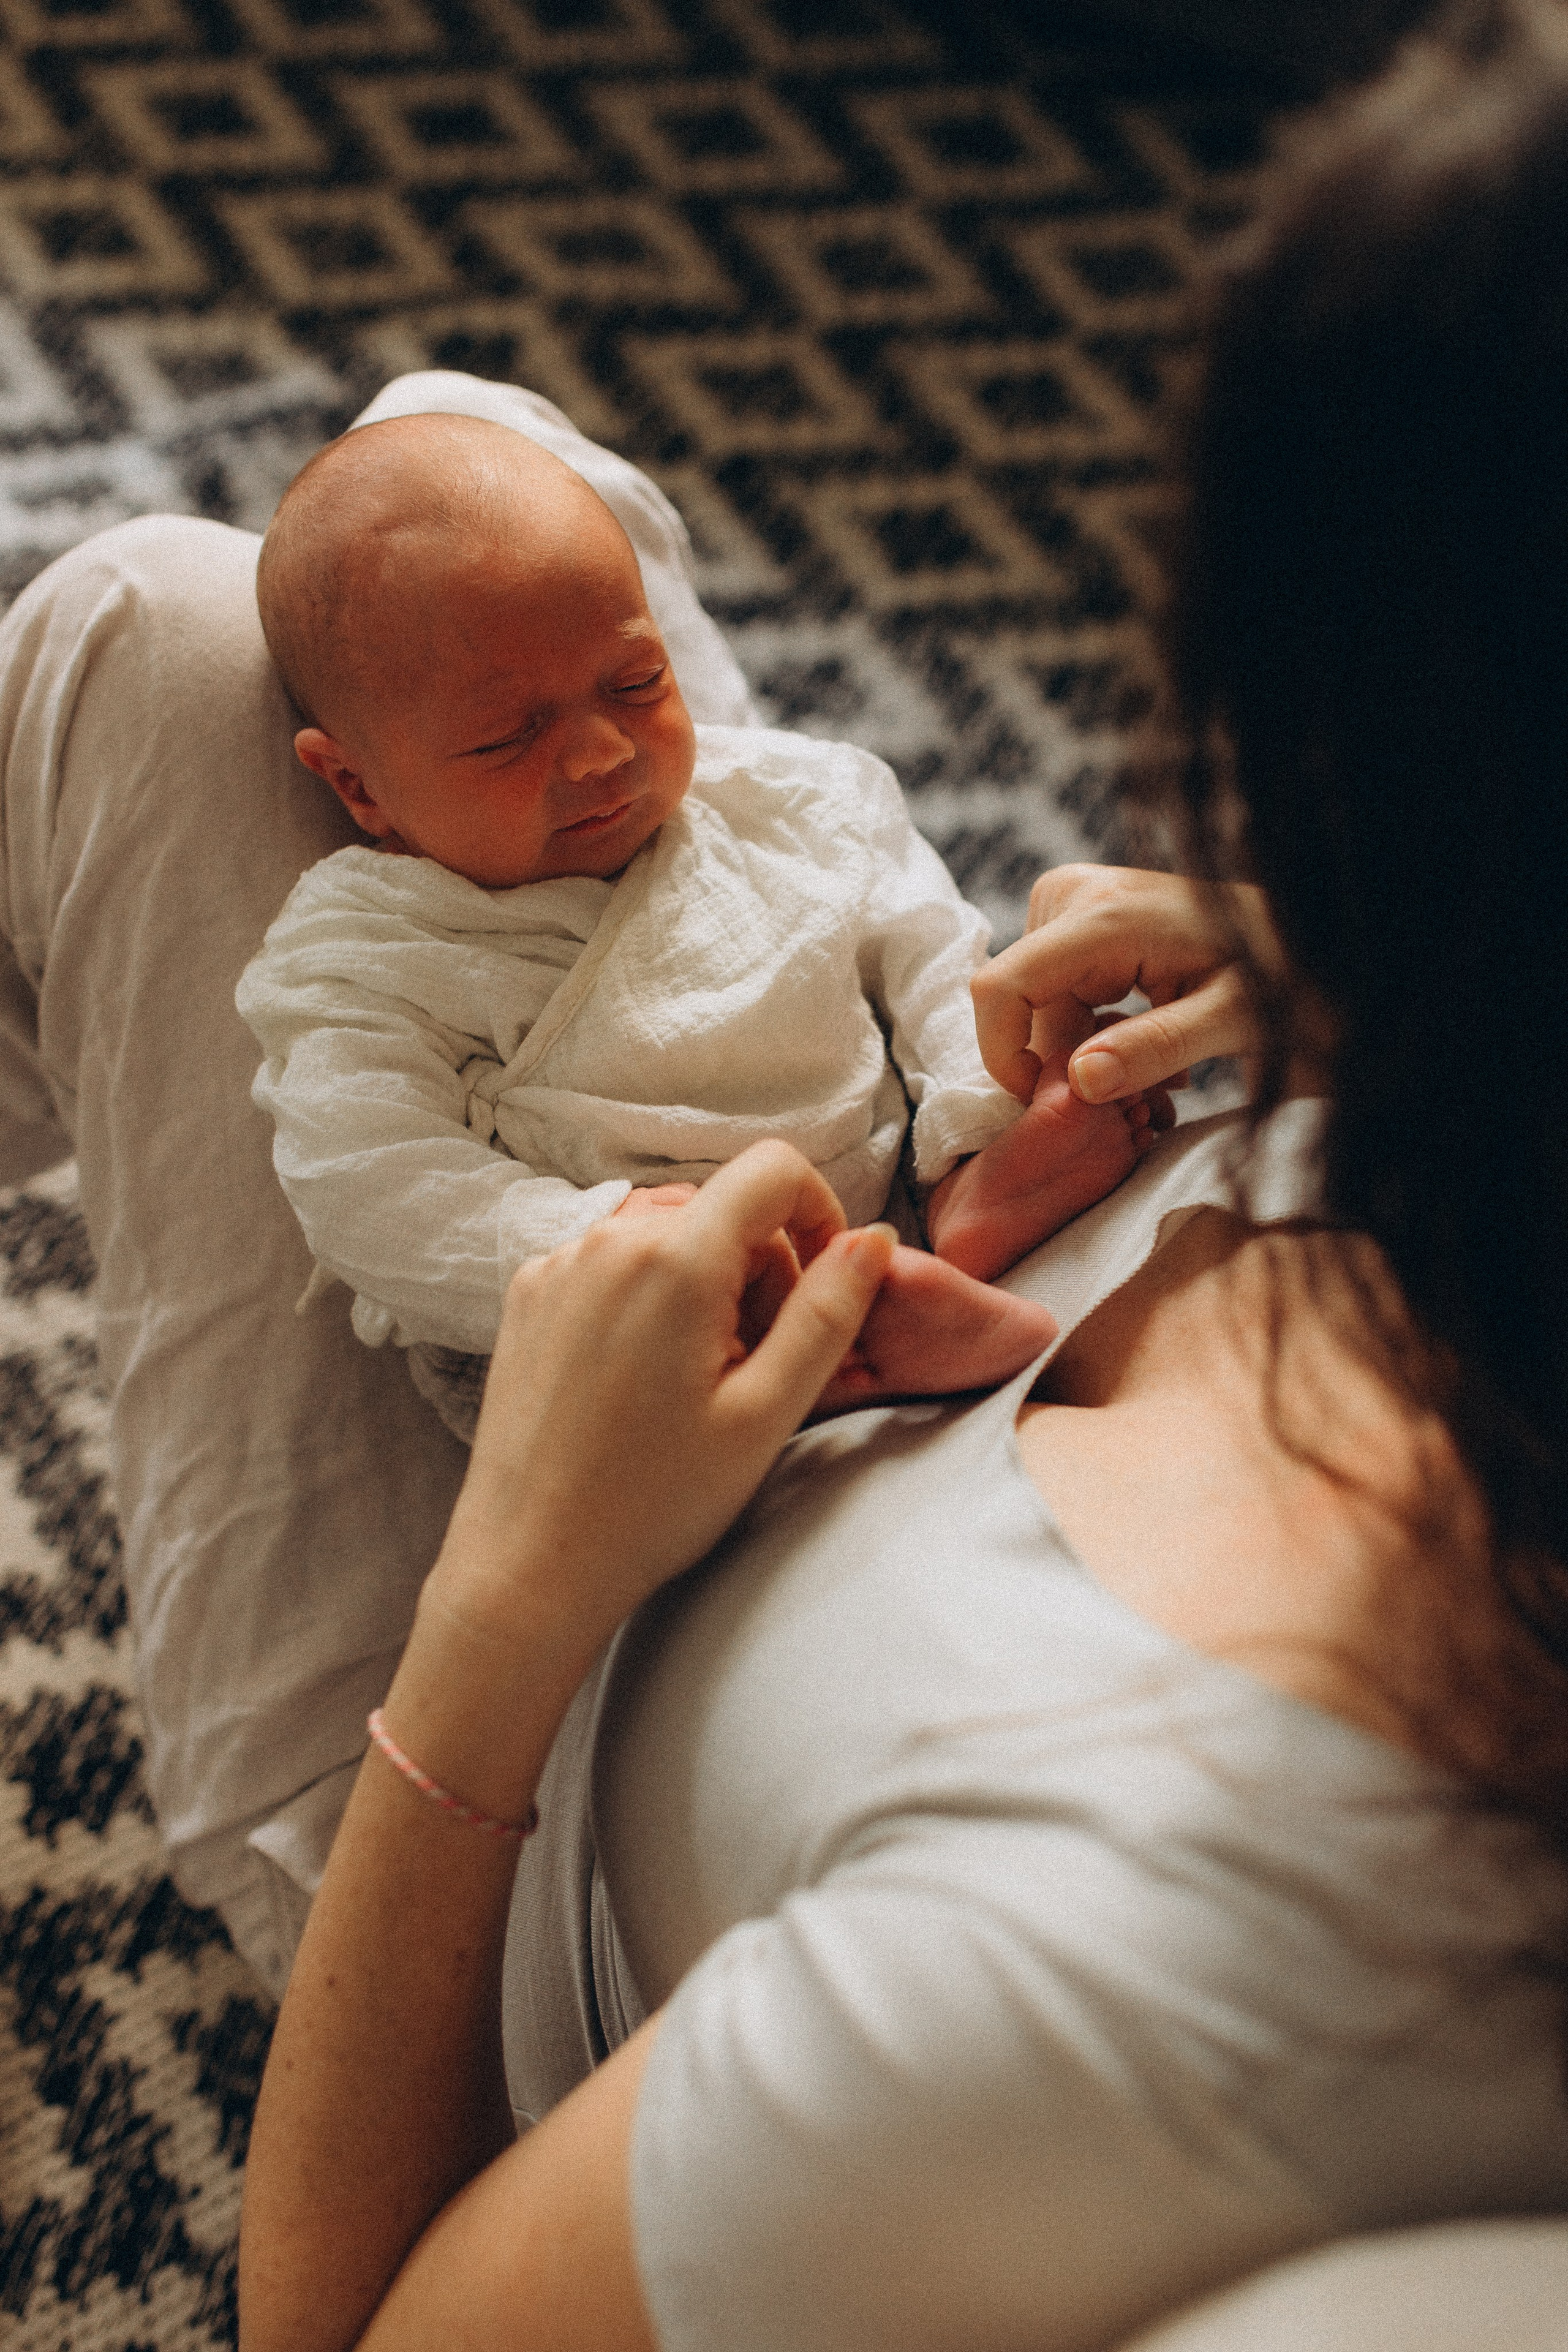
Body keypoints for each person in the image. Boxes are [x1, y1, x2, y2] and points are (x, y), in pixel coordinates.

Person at [2, 10, 1567, 2351]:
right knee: (480, 470)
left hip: (504, 1676)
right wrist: (1331, 979)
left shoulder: (1105, 1995)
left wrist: (525, 1579)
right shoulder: (1440, 1065)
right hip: (794, 1193)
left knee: (158, 625)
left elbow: (343, 2329)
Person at [236, 412, 1150, 1438]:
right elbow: (364, 1176)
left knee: (990, 1029)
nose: (599, 755)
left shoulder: (779, 798)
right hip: (637, 1323)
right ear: (358, 785)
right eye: (508, 737)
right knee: (598, 1364)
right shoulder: (368, 951)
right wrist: (606, 1234)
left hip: (891, 1176)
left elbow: (929, 948)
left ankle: (971, 1202)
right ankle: (836, 1330)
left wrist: (983, 1105)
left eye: (637, 683)